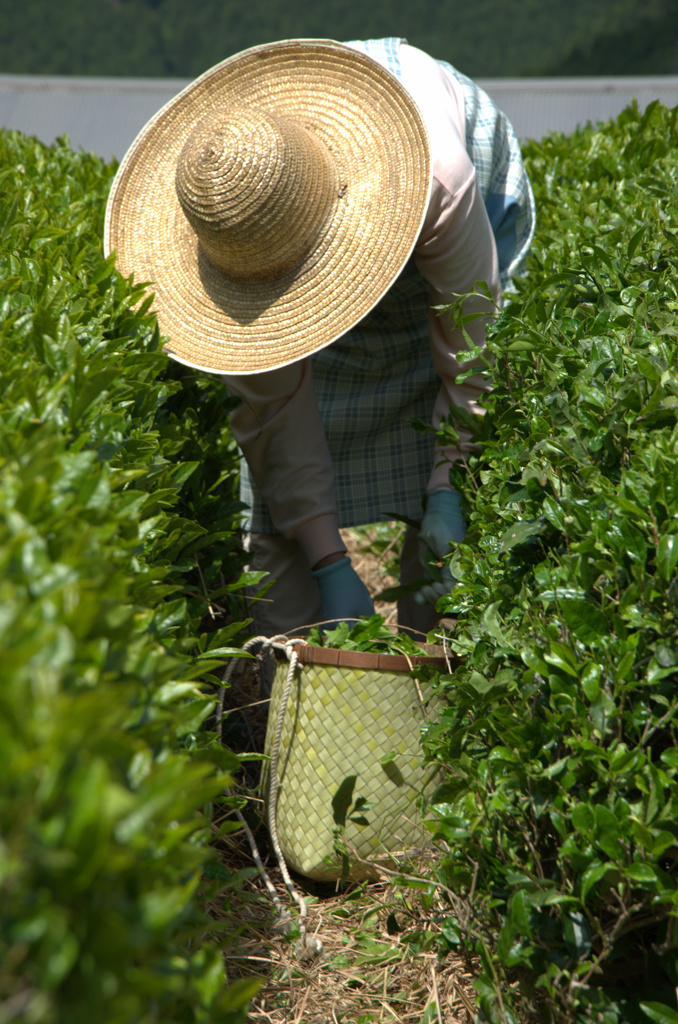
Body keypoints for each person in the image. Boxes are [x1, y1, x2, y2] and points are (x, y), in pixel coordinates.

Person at [104, 37, 535, 639]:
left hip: (440, 225)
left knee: (450, 564)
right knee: (279, 552)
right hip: (285, 220)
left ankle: (437, 665)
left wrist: (448, 487)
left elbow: (471, 344)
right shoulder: (230, 225)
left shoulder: (439, 180)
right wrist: (330, 563)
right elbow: (276, 413)